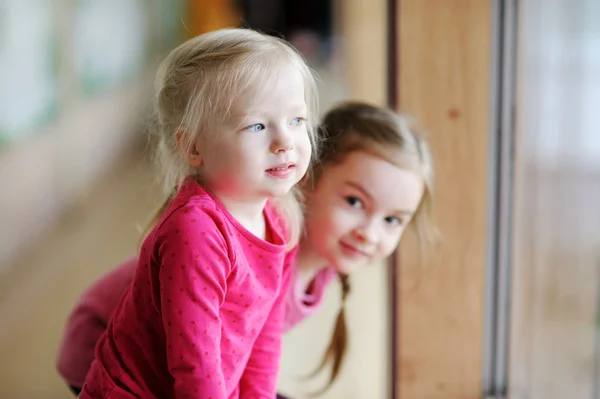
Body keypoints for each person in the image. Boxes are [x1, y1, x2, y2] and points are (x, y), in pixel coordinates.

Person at [57, 101, 435, 396]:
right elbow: (199, 364)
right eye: (355, 202)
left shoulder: (322, 263)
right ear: (306, 179)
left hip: (186, 360)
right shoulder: (267, 242)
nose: (370, 232)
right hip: (109, 353)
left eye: (392, 220)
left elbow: (237, 359)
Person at [76, 27, 318, 399]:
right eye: (257, 125)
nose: (285, 141)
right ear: (193, 147)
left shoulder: (280, 216)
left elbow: (264, 337)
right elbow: (195, 365)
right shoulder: (196, 230)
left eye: (296, 121)